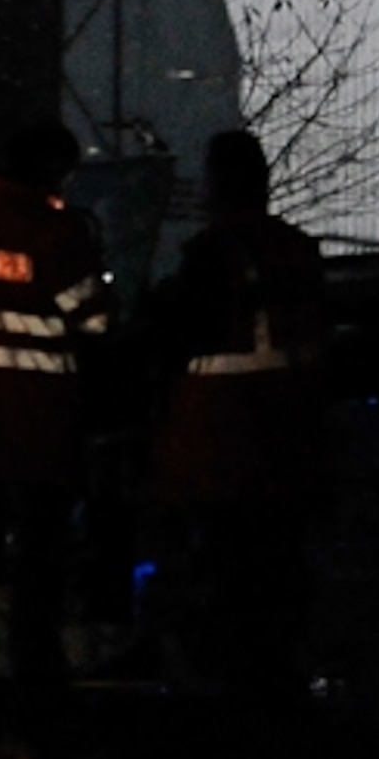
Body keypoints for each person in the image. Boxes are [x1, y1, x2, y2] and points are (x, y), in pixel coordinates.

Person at [0, 121, 114, 688]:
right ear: (49, 169)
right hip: (39, 419)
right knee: (40, 549)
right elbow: (95, 321)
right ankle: (34, 662)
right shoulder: (54, 232)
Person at [144, 129, 324, 690]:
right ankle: (281, 674)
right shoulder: (298, 249)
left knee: (227, 571)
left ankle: (232, 685)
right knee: (279, 564)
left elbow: (174, 339)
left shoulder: (208, 254)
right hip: (286, 439)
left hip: (219, 443)